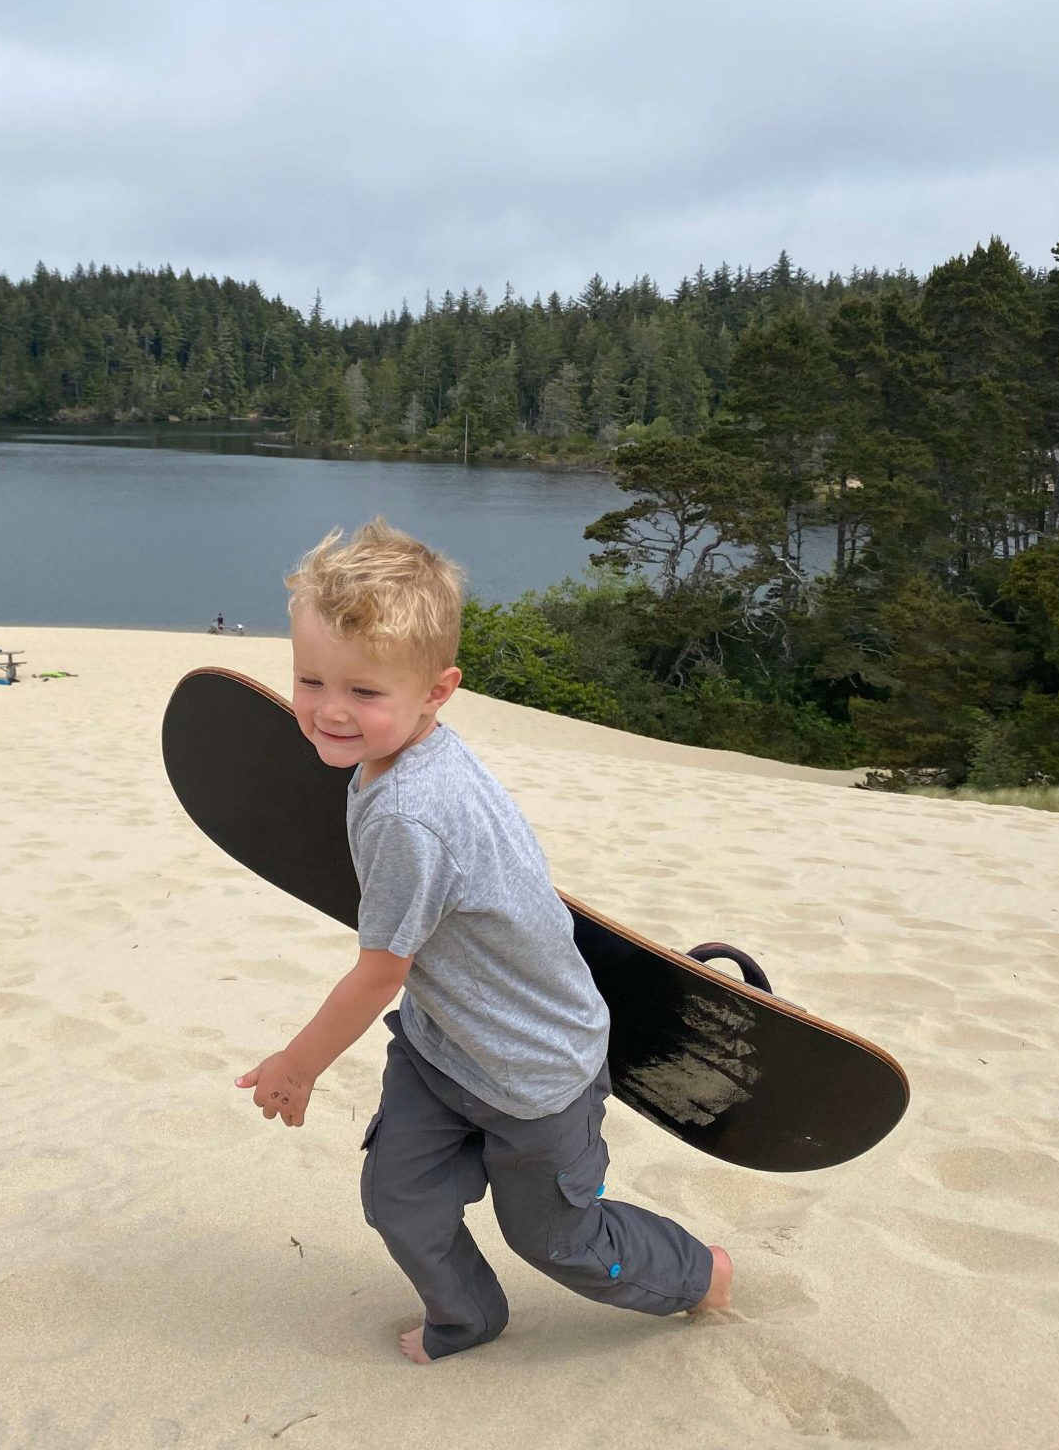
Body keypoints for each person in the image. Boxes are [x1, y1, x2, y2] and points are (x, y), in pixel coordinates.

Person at [235, 517, 730, 1363]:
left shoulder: (409, 813)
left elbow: (378, 972)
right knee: (400, 1201)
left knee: (556, 1240)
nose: (327, 710)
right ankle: (467, 1318)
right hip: (441, 1050)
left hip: (534, 1076)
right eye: (311, 680)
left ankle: (699, 1276)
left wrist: (296, 1065)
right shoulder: (396, 762)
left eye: (364, 692)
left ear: (437, 691)